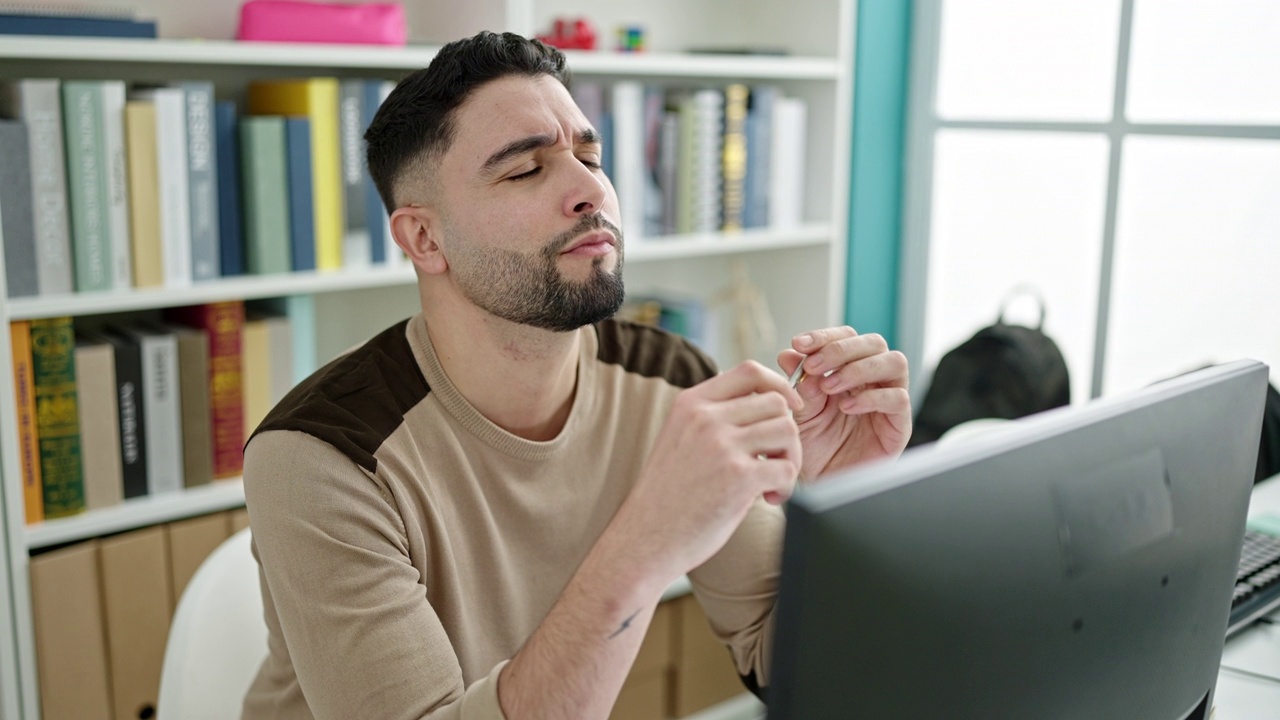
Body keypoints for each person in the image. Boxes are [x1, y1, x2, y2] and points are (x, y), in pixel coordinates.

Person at [241, 31, 911, 720]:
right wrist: (648, 537)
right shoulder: (320, 458)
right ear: (423, 238)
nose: (590, 189)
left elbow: (783, 661)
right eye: (525, 170)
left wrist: (839, 510)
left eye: (590, 156)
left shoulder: (671, 381)